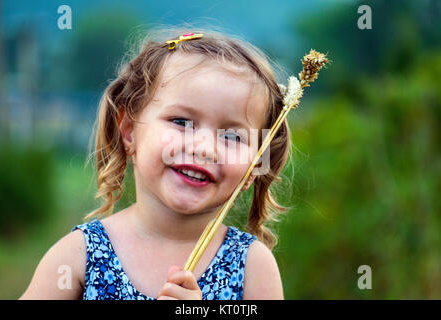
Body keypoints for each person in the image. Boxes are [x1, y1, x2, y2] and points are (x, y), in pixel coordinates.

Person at [20, 26, 291, 300]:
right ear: (129, 130)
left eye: (232, 136)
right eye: (182, 122)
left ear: (257, 163)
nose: (205, 149)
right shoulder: (78, 256)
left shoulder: (253, 266)